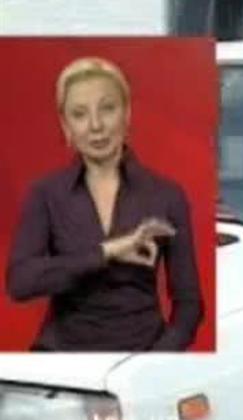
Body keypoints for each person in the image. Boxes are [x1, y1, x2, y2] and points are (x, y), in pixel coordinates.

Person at [5, 57, 203, 352]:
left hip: (141, 352)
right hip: (62, 354)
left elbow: (189, 305)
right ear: (65, 125)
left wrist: (154, 362)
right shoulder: (45, 194)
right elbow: (20, 283)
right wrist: (109, 251)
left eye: (107, 108)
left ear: (127, 113)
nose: (96, 126)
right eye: (80, 114)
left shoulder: (166, 195)